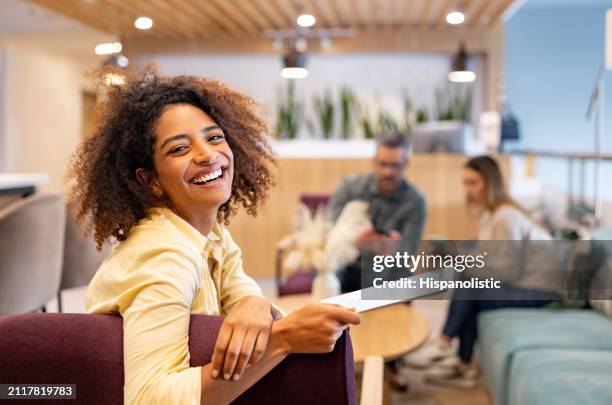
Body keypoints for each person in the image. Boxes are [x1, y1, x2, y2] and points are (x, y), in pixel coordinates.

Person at [67, 66, 361, 405]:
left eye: (214, 137)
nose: (208, 155)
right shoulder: (164, 257)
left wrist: (254, 303)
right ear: (151, 180)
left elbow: (242, 292)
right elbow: (149, 399)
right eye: (179, 149)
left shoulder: (212, 236)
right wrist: (284, 339)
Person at [405, 155, 560, 389]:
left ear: (491, 183)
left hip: (543, 292)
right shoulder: (492, 216)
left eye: (474, 183)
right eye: (465, 183)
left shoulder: (505, 217)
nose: (468, 190)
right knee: (471, 282)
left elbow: (507, 273)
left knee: (472, 283)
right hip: (526, 286)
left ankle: (445, 344)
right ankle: (462, 362)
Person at [328, 131, 427, 293]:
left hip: (391, 276)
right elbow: (329, 228)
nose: (388, 172)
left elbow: (409, 250)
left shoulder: (416, 201)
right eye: (383, 164)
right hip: (349, 269)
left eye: (395, 165)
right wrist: (353, 240)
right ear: (374, 161)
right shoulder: (349, 187)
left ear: (407, 163)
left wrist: (393, 249)